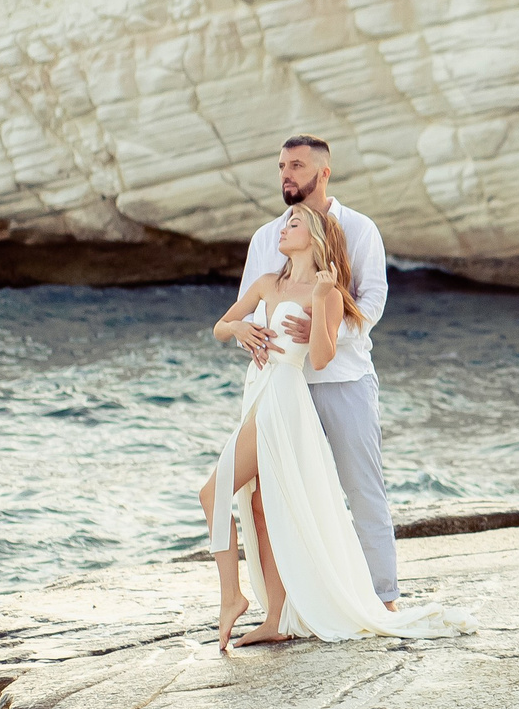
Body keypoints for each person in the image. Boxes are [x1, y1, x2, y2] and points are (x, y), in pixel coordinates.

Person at [201, 203, 475, 650]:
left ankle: (231, 596)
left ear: (315, 237)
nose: (283, 229)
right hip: (259, 393)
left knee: (212, 493)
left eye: (293, 224)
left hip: (284, 400)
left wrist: (323, 305)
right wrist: (239, 332)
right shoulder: (268, 282)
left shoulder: (327, 291)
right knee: (260, 509)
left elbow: (324, 357)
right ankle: (275, 618)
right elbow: (220, 325)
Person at [229, 136, 401, 606]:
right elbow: (248, 307)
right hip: (283, 389)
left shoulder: (359, 229)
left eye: (297, 165)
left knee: (362, 490)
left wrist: (325, 330)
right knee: (281, 499)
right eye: (282, 165)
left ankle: (384, 599)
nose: (286, 174)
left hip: (344, 381)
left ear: (323, 173)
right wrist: (246, 331)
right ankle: (302, 606)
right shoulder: (268, 238)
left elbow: (373, 302)